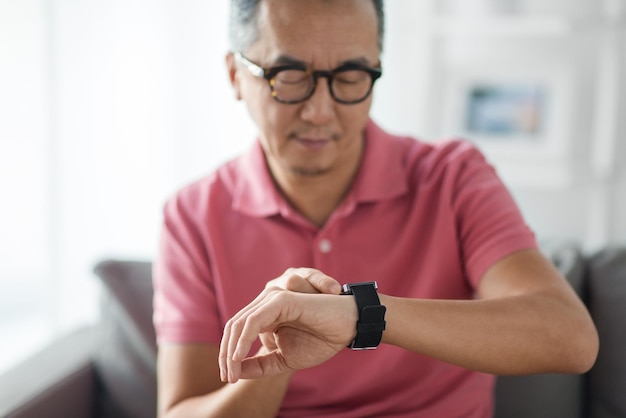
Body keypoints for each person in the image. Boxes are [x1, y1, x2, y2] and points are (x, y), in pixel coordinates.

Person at [153, 0, 599, 417]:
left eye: (350, 76)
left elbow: (570, 337)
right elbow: (180, 410)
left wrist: (358, 315)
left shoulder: (452, 177)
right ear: (235, 75)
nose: (320, 111)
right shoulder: (192, 215)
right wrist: (283, 356)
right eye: (289, 74)